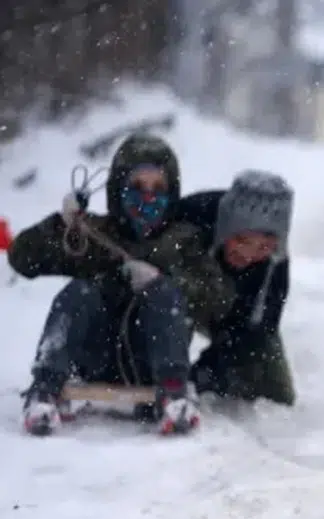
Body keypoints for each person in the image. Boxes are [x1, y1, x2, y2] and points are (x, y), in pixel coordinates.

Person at [8, 133, 235, 437]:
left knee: (165, 294)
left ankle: (174, 395)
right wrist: (62, 225)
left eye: (158, 189)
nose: (148, 198)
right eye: (137, 188)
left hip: (153, 361)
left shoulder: (184, 240)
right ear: (118, 189)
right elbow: (22, 257)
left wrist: (164, 282)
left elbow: (218, 298)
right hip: (97, 355)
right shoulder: (95, 233)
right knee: (79, 292)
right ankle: (45, 388)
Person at [170, 170, 296, 407]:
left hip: (231, 314)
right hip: (177, 299)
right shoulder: (189, 218)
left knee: (276, 393)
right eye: (241, 241)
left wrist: (204, 375)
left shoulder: (274, 267)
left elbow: (256, 332)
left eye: (264, 247)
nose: (248, 255)